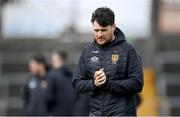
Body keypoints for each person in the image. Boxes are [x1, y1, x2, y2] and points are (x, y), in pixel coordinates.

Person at [72, 7, 144, 116]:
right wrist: (94, 83)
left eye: (103, 30)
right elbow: (77, 83)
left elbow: (137, 84)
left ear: (113, 26)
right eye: (96, 30)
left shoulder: (129, 51)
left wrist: (108, 83)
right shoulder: (88, 52)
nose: (99, 34)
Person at [46, 51, 77, 116]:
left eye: (53, 60)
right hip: (70, 112)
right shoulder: (71, 75)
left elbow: (49, 97)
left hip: (56, 112)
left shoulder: (52, 75)